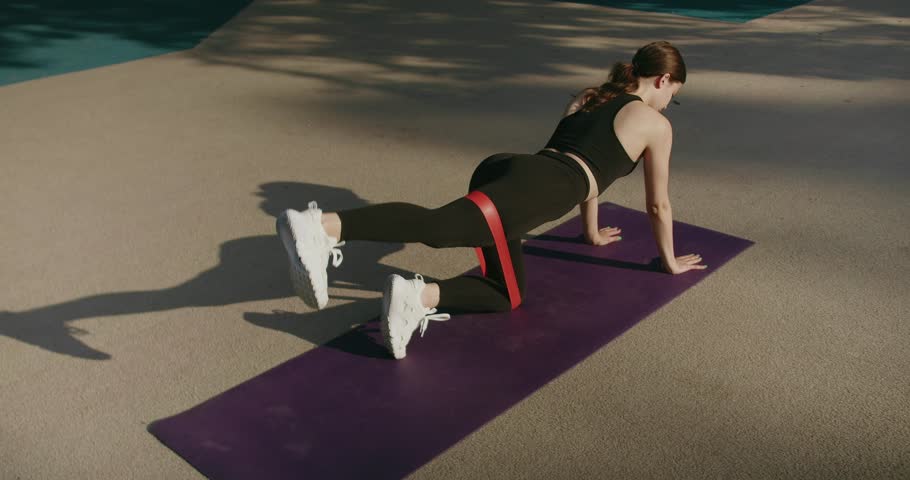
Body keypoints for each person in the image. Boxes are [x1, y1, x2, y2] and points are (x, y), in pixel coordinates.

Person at [276, 41, 706, 360]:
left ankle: (416, 297)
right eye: (675, 95)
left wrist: (590, 232)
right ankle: (324, 227)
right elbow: (657, 205)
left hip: (515, 170)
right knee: (440, 228)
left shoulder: (593, 96)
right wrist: (668, 261)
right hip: (540, 186)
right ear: (663, 80)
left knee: (506, 293)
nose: (671, 103)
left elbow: (583, 168)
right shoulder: (655, 125)